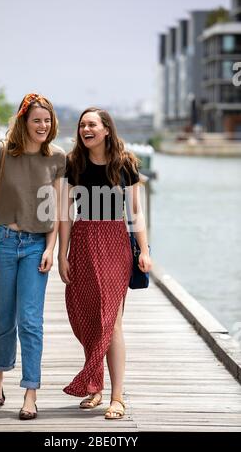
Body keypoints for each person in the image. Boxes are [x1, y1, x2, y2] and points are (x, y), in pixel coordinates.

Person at [0, 93, 65, 420]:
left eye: (47, 120)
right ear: (24, 121)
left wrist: (51, 249)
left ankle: (30, 393)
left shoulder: (57, 157)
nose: (43, 125)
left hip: (37, 246)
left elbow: (56, 209)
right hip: (3, 241)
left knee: (30, 320)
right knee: (2, 316)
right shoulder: (0, 153)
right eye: (37, 119)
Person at [58, 107, 152, 420]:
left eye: (92, 125)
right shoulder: (74, 163)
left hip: (115, 242)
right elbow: (65, 213)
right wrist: (62, 254)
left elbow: (136, 213)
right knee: (88, 316)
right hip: (83, 242)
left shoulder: (124, 163)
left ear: (106, 129)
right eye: (82, 125)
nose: (86, 129)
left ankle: (117, 396)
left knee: (111, 320)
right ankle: (94, 387)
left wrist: (144, 251)